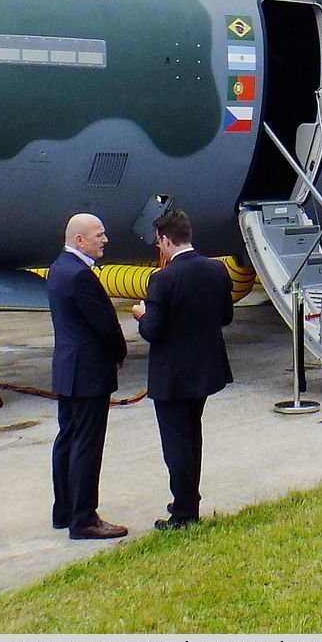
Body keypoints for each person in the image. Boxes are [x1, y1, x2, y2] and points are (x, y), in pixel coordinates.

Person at [131, 208, 234, 530]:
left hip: (173, 375)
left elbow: (153, 331)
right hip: (205, 369)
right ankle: (188, 498)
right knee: (192, 436)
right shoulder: (217, 270)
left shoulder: (162, 279)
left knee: (176, 443)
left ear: (164, 240)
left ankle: (184, 511)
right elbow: (225, 318)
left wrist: (141, 314)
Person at [47, 212, 129, 540]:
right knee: (86, 444)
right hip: (88, 372)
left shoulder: (58, 268)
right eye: (99, 235)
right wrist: (120, 352)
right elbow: (105, 323)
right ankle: (84, 518)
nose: (105, 240)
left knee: (67, 437)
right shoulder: (80, 276)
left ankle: (64, 509)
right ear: (79, 240)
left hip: (68, 368)